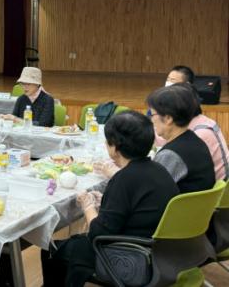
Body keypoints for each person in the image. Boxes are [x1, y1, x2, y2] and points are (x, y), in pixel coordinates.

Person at [41, 111, 179, 286]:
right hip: (164, 254)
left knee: (51, 248)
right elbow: (137, 207)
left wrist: (88, 206)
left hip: (131, 257)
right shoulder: (158, 170)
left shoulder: (124, 178)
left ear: (114, 148)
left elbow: (98, 233)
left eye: (107, 141)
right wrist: (106, 201)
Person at [147, 85, 215, 193]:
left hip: (178, 204)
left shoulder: (170, 155)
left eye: (152, 114)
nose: (151, 119)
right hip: (200, 204)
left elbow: (149, 191)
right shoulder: (196, 141)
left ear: (168, 118)